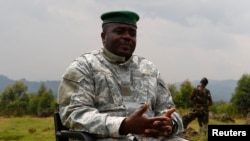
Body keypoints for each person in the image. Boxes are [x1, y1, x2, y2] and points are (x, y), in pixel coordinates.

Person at [57, 10, 187, 141]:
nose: (127, 37)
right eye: (119, 32)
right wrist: (123, 125)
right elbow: (73, 114)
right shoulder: (84, 66)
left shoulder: (149, 69)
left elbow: (169, 109)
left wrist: (168, 123)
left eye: (132, 33)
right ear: (103, 36)